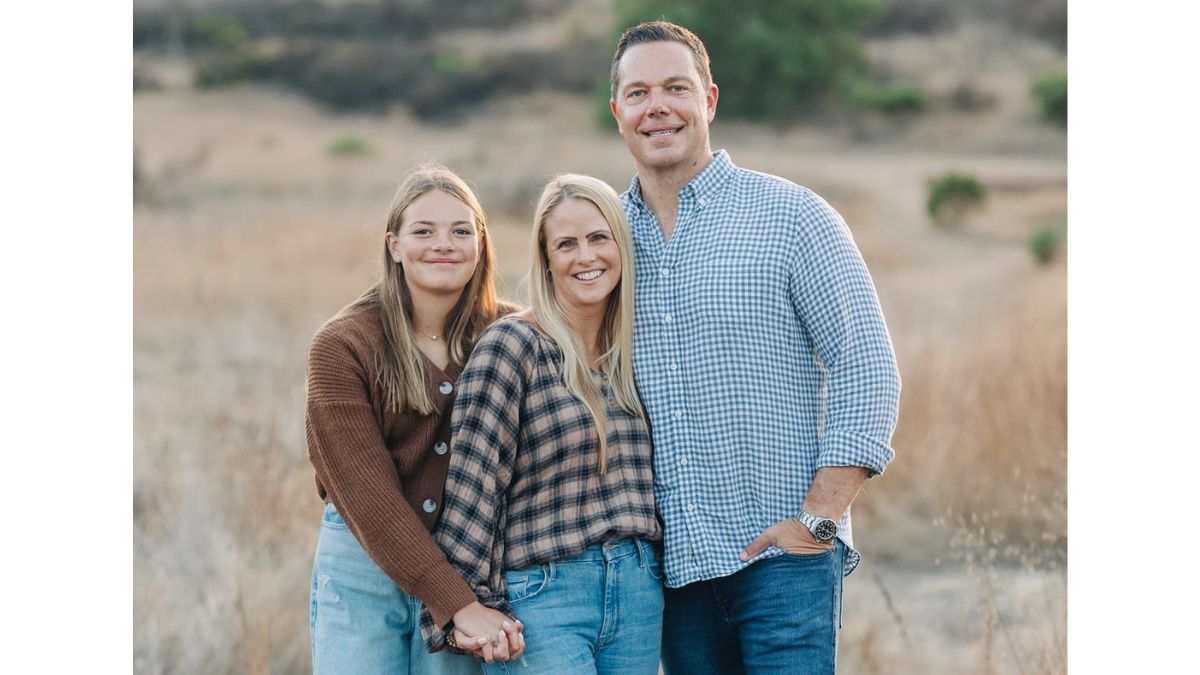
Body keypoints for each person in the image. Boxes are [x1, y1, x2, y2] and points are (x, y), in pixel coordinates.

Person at [607, 21, 903, 674]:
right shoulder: (605, 239)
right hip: (673, 571)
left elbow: (867, 368)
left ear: (709, 100)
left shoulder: (794, 217)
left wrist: (819, 519)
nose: (658, 107)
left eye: (676, 88)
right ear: (618, 111)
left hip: (783, 561)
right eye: (639, 92)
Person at [422, 174, 664, 674]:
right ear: (547, 258)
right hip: (544, 598)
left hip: (640, 593)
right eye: (566, 244)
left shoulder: (638, 352)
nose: (586, 256)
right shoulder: (513, 346)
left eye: (600, 238)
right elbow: (473, 487)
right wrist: (468, 609)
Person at [305, 164, 525, 673]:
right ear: (394, 245)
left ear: (481, 243)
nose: (442, 244)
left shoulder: (515, 335)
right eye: (423, 231)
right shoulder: (343, 346)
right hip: (363, 565)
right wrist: (458, 605)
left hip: (470, 563)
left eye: (460, 231)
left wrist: (472, 596)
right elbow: (367, 494)